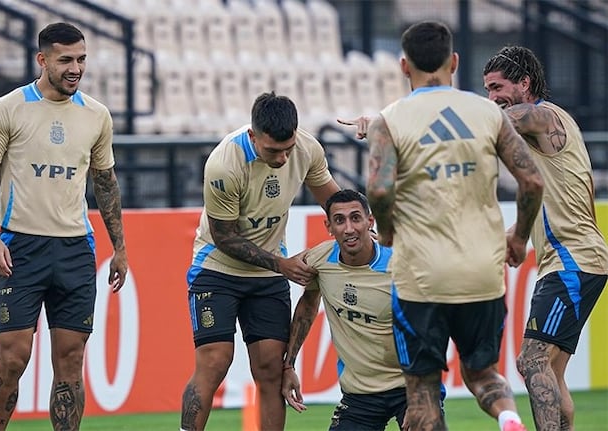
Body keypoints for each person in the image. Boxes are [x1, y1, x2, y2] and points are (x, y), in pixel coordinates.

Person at [362, 21, 544, 431]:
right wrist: (518, 236)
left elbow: (378, 189)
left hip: (421, 277)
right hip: (481, 273)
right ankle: (509, 416)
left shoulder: (388, 121)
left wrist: (387, 230)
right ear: (455, 62)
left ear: (404, 66)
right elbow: (532, 180)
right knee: (483, 375)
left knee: (423, 390)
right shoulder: (487, 113)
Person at [0, 22, 128, 430]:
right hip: (20, 247)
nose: (75, 68)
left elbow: (105, 183)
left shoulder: (97, 115)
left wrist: (120, 248)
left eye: (81, 59)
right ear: (42, 60)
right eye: (66, 60)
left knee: (72, 360)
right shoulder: (8, 108)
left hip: (75, 248)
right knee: (14, 356)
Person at [180, 91, 341, 431]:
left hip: (265, 276)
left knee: (270, 368)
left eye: (288, 148)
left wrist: (364, 233)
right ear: (253, 136)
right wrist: (282, 266)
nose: (283, 159)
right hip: (216, 269)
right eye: (272, 151)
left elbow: (335, 202)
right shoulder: (224, 164)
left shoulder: (308, 150)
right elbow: (224, 238)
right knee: (215, 361)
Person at [483, 46, 608, 431]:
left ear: (525, 83)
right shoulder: (541, 131)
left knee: (531, 360)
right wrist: (510, 235)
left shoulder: (543, 116)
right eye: (487, 89)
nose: (492, 97)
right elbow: (550, 201)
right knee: (552, 374)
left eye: (498, 86)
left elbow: (495, 121)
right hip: (575, 260)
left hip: (574, 260)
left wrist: (400, 123)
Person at [282, 189, 412, 430]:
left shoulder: (401, 264)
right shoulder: (320, 259)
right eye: (339, 221)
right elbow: (307, 301)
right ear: (329, 226)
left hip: (411, 388)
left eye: (356, 218)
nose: (349, 229)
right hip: (360, 395)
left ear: (369, 222)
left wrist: (424, 392)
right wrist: (288, 364)